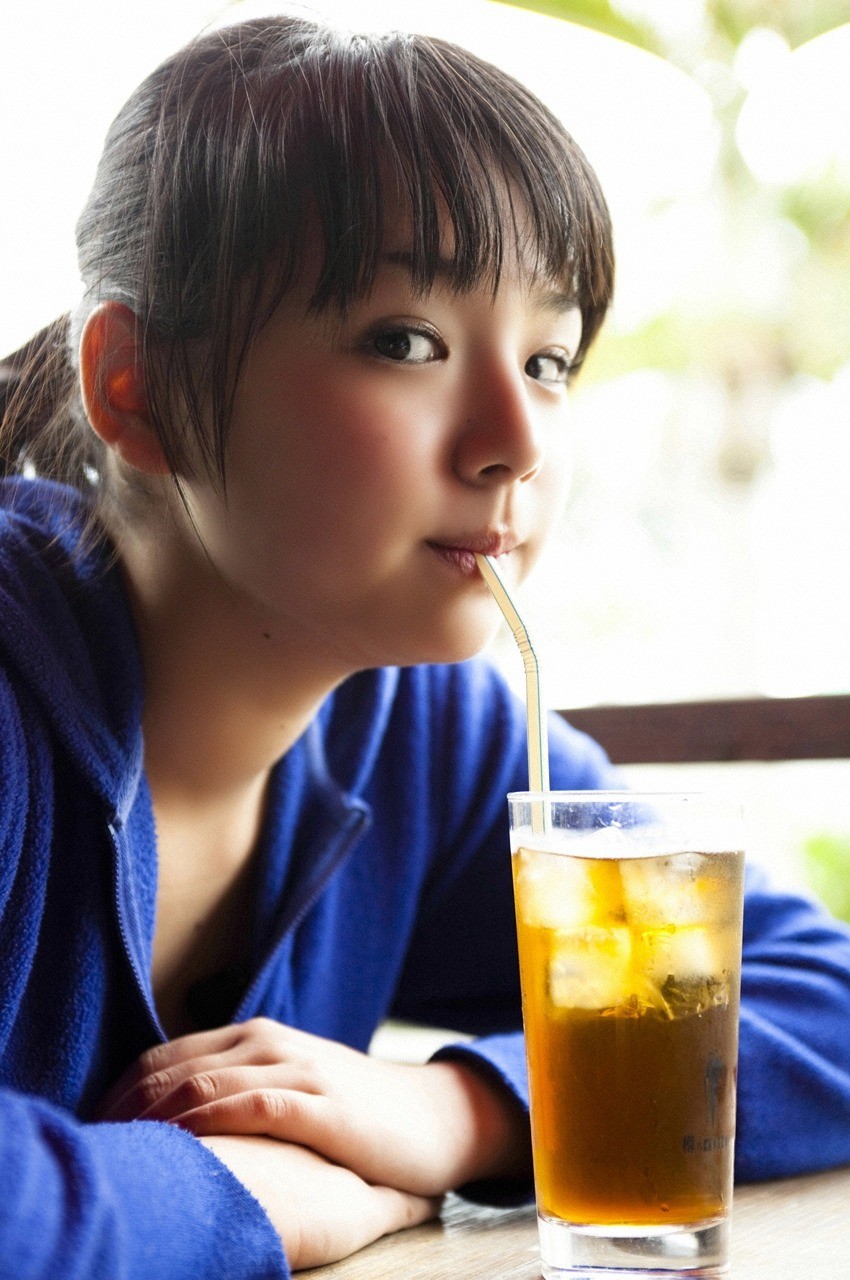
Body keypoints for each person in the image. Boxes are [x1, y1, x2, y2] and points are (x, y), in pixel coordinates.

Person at [1, 15, 849, 1280]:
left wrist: (460, 1109)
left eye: (549, 357)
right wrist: (246, 1192)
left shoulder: (420, 728)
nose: (518, 441)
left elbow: (817, 992)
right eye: (405, 341)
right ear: (138, 387)